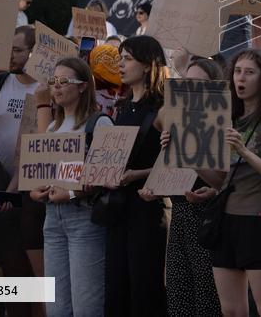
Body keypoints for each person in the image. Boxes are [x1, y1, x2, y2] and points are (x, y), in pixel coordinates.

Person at [203, 49, 261, 317]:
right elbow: (220, 179)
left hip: (258, 221)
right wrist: (189, 157)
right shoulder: (229, 118)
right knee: (231, 310)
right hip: (227, 221)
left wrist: (245, 152)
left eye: (249, 72)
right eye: (237, 72)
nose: (240, 78)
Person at [30, 57, 112, 317]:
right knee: (56, 308)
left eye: (64, 81)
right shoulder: (52, 127)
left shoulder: (100, 123)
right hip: (52, 221)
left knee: (86, 306)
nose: (56, 86)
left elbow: (107, 177)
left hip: (84, 219)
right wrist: (36, 191)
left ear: (83, 86)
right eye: (53, 81)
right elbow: (40, 175)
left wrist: (73, 192)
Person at [143, 57, 223, 317]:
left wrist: (189, 153)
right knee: (178, 292)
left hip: (207, 217)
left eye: (198, 83)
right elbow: (159, 122)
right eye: (186, 83)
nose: (191, 89)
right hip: (180, 213)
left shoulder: (221, 123)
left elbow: (222, 179)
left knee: (206, 295)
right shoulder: (176, 116)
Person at [0, 27, 40, 308]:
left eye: (17, 50)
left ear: (33, 53)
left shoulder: (47, 89)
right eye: (9, 48)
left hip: (31, 194)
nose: (10, 55)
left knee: (22, 271)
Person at [104, 35, 167, 316]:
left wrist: (136, 175)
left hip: (148, 211)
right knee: (117, 287)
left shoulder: (163, 110)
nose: (120, 64)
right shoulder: (122, 107)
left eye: (127, 58)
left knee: (145, 289)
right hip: (119, 210)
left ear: (147, 65)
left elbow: (179, 163)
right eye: (121, 57)